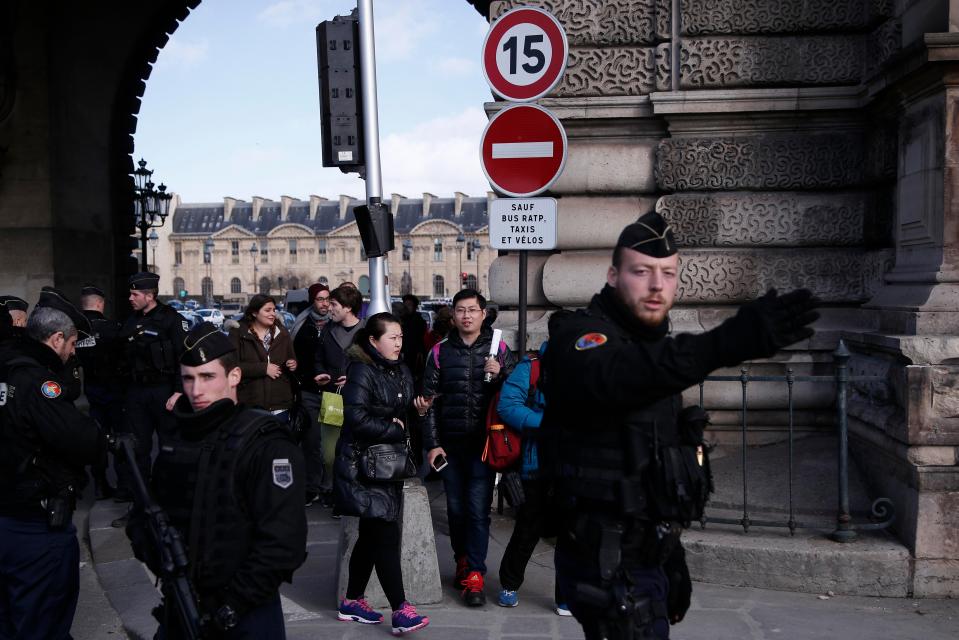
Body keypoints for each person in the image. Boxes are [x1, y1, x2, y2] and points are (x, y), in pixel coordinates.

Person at [542, 212, 820, 639]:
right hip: (603, 561)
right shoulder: (581, 337)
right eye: (642, 272)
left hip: (645, 557)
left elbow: (654, 470)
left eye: (668, 274)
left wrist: (673, 560)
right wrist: (724, 343)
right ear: (613, 275)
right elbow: (620, 375)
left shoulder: (654, 352)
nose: (657, 286)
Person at [126, 322, 307, 638]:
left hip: (245, 613)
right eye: (188, 378)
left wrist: (232, 605)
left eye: (207, 377)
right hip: (182, 603)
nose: (196, 391)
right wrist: (160, 558)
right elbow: (145, 516)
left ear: (234, 376)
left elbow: (282, 541)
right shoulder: (178, 437)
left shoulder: (265, 442)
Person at [0, 290, 104, 638]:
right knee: (42, 622)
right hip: (34, 525)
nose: (73, 351)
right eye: (73, 343)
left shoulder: (7, 364)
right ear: (57, 338)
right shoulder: (39, 382)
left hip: (8, 516)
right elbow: (81, 440)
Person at [416, 289, 516, 606]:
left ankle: (475, 574)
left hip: (484, 446)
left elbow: (517, 387)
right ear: (453, 314)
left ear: (483, 314)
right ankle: (462, 558)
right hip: (451, 446)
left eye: (472, 310)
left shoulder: (498, 348)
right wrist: (432, 445)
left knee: (477, 511)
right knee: (456, 510)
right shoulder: (439, 352)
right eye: (461, 310)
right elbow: (427, 402)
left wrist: (502, 373)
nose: (467, 316)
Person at [332, 313, 430, 634]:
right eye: (392, 338)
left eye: (401, 337)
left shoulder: (400, 369)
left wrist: (417, 412)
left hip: (388, 466)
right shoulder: (361, 370)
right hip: (362, 466)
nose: (398, 344)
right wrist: (391, 427)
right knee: (385, 534)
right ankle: (401, 610)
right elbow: (355, 417)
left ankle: (352, 601)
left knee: (372, 536)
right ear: (373, 341)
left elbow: (402, 416)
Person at [495, 338, 570, 615]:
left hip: (574, 465)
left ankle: (566, 596)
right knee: (528, 526)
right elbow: (507, 405)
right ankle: (509, 583)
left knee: (570, 530)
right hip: (535, 464)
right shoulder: (532, 368)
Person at [115, 271, 188, 512]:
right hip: (137, 392)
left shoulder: (170, 319)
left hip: (164, 390)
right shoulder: (131, 321)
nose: (130, 298)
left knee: (169, 447)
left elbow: (183, 357)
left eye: (135, 294)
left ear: (149, 295)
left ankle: (170, 501)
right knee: (138, 449)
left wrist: (178, 392)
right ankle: (141, 505)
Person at [312, 285, 365, 507]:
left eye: (333, 304)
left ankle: (346, 496)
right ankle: (331, 489)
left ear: (348, 307)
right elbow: (318, 358)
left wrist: (353, 377)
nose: (328, 307)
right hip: (332, 398)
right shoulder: (327, 330)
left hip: (359, 401)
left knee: (355, 451)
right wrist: (320, 373)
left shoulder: (366, 331)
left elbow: (374, 365)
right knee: (329, 453)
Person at [75, 283, 122, 500]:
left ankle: (100, 484)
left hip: (92, 392)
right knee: (122, 439)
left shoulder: (75, 331)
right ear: (100, 304)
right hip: (115, 392)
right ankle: (125, 485)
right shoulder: (111, 328)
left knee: (98, 440)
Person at [292, 283, 332, 505]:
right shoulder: (302, 324)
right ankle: (312, 486)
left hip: (332, 393)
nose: (324, 303)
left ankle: (328, 488)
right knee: (311, 441)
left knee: (330, 444)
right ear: (312, 301)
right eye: (320, 299)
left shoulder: (335, 324)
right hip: (308, 391)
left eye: (327, 299)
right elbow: (294, 355)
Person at [228, 294, 298, 419]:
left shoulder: (282, 333)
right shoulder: (238, 333)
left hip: (280, 404)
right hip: (250, 404)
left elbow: (291, 358)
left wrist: (292, 363)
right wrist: (263, 369)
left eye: (274, 310)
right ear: (254, 313)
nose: (273, 314)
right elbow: (232, 367)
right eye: (267, 310)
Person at [400, 294, 427, 379]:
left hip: (414, 356)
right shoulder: (400, 320)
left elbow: (421, 340)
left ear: (415, 307)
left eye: (409, 305)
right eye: (405, 305)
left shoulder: (419, 322)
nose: (406, 307)